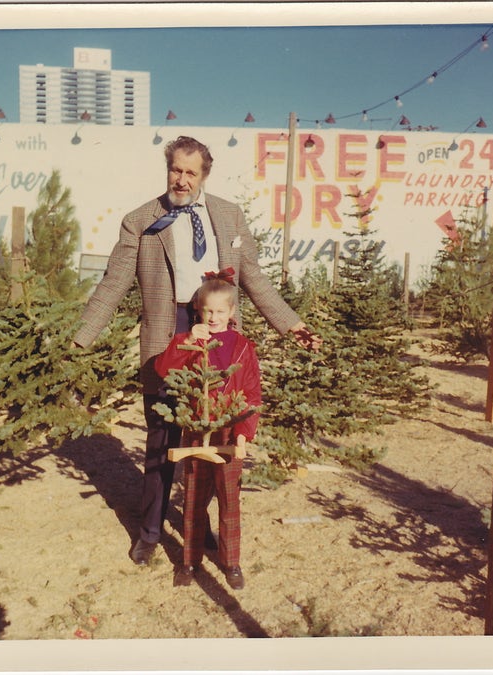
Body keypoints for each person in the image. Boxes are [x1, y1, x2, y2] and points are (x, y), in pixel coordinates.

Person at [72, 136, 321, 567]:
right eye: (175, 170)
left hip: (219, 335)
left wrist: (292, 324)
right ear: (167, 169)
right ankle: (150, 530)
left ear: (204, 175)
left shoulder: (230, 215)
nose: (182, 179)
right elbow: (114, 282)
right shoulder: (140, 220)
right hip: (168, 336)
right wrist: (82, 336)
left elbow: (254, 279)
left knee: (211, 436)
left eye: (191, 172)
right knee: (162, 435)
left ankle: (195, 524)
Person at [154, 278, 260, 590]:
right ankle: (189, 561)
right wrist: (183, 340)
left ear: (231, 312)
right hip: (197, 430)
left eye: (219, 311)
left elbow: (252, 392)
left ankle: (231, 562)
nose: (213, 318)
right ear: (199, 312)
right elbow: (163, 369)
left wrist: (242, 435)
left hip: (228, 432)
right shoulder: (193, 341)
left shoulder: (243, 347)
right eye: (207, 311)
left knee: (229, 502)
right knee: (193, 500)